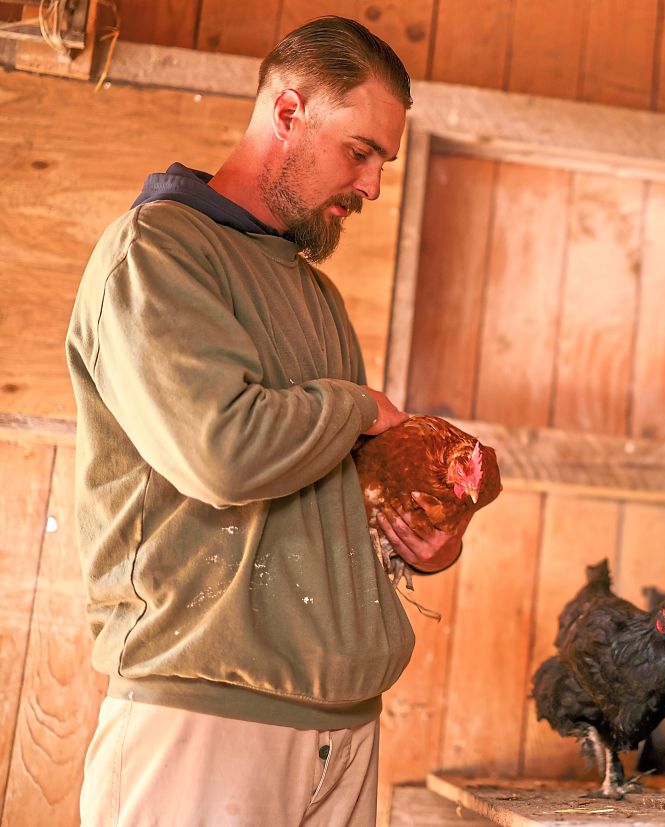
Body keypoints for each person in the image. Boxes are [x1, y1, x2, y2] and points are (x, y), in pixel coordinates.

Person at [65, 16, 467, 825]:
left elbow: (330, 491)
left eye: (383, 161)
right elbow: (223, 451)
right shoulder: (158, 251)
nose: (374, 186)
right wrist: (359, 406)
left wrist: (415, 537)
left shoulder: (315, 294)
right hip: (203, 720)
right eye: (361, 151)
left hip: (343, 725)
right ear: (288, 113)